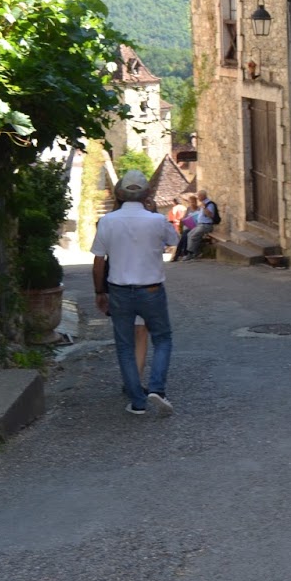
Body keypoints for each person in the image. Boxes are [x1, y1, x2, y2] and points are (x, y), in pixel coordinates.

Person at [91, 170, 180, 416]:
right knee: (162, 338)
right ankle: (157, 389)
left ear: (119, 193)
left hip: (119, 291)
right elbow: (173, 239)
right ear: (148, 194)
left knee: (124, 345)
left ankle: (138, 402)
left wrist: (100, 291)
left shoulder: (107, 221)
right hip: (151, 289)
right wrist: (153, 214)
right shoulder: (156, 220)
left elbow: (99, 261)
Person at [185, 189, 220, 260]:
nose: (198, 198)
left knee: (194, 236)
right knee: (189, 234)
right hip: (200, 225)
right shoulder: (203, 204)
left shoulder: (209, 204)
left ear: (203, 196)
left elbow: (211, 215)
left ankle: (191, 253)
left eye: (199, 196)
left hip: (206, 225)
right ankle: (195, 252)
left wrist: (204, 207)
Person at [171, 193, 202, 261]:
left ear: (196, 202)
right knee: (184, 236)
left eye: (193, 202)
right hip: (189, 227)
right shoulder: (188, 209)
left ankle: (180, 255)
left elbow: (200, 220)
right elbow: (183, 219)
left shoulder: (199, 209)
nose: (192, 203)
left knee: (185, 236)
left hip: (196, 227)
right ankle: (180, 254)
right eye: (191, 202)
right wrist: (186, 219)